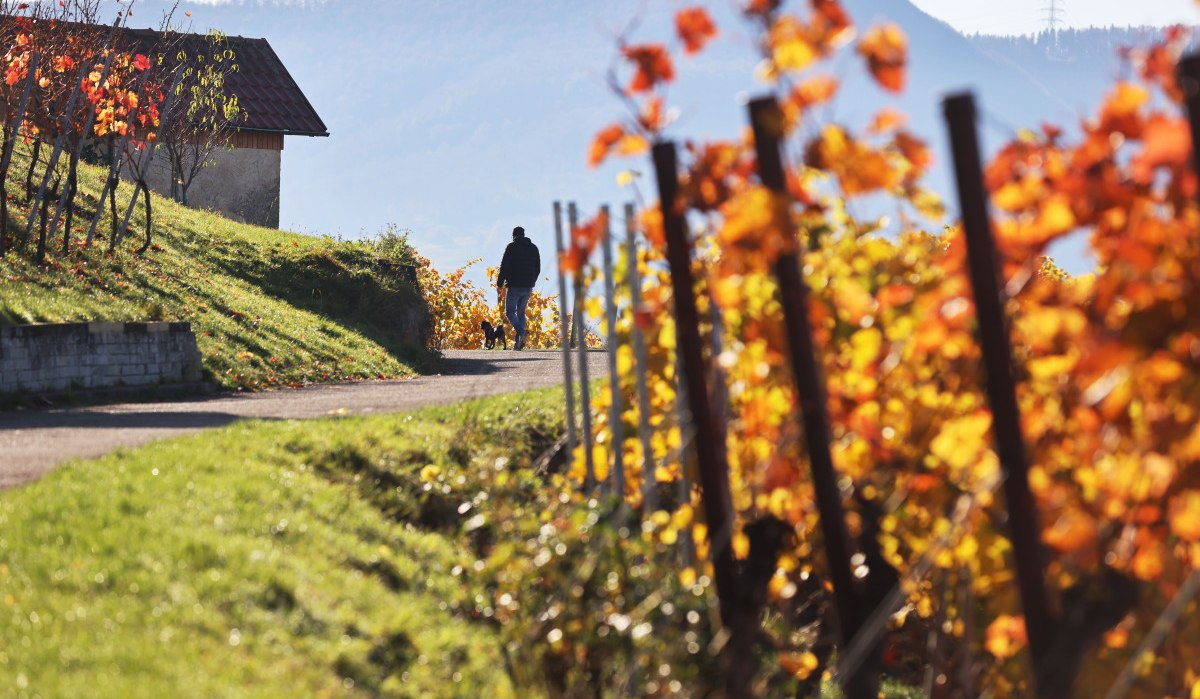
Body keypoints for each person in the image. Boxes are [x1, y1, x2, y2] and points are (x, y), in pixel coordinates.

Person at [496, 226, 540, 350]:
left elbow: (504, 267)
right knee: (521, 313)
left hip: (514, 285)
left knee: (510, 312)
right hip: (528, 286)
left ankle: (521, 332)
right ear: (524, 235)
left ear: (514, 235)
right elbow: (538, 268)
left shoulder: (511, 247)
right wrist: (531, 281)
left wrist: (500, 284)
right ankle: (518, 344)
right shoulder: (534, 248)